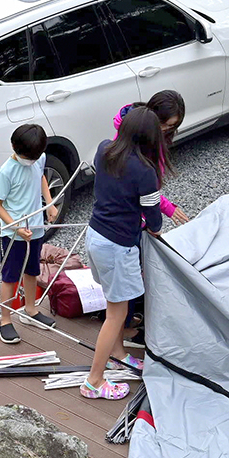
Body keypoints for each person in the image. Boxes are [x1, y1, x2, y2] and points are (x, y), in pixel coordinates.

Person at [81, 105, 166, 400]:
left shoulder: (105, 150)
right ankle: (94, 381)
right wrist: (155, 229)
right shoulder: (145, 171)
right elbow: (152, 216)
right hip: (118, 246)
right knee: (116, 314)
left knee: (112, 302)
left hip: (95, 235)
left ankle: (118, 354)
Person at [0, 123, 58, 345]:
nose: (30, 161)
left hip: (35, 228)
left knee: (32, 270)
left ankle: (30, 310)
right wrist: (15, 226)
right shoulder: (6, 171)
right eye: (27, 157)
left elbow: (41, 178)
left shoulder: (38, 158)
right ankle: (4, 320)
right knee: (10, 276)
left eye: (34, 157)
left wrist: (49, 203)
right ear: (13, 146)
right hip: (13, 233)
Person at [112, 90, 184, 220]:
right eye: (162, 124)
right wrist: (155, 218)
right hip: (127, 215)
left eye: (171, 126)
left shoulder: (153, 133)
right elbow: (140, 187)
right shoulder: (133, 140)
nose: (164, 129)